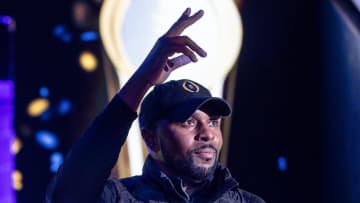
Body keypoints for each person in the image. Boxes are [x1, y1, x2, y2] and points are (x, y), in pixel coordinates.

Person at [46, 8, 265, 203]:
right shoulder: (120, 197)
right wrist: (141, 79)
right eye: (189, 122)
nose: (208, 133)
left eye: (213, 122)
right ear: (151, 137)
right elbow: (66, 195)